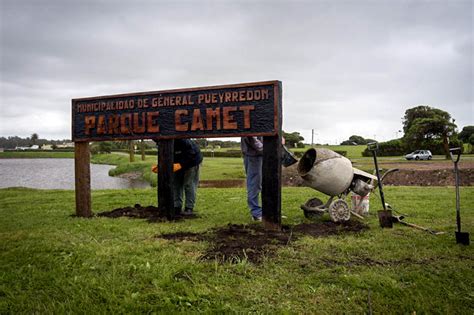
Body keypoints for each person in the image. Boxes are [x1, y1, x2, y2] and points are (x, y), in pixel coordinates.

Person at [172, 139, 203, 215]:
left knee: (189, 184)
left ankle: (189, 208)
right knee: (176, 183)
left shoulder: (183, 141)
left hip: (192, 162)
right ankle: (177, 207)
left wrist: (181, 165)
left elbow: (191, 155)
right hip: (177, 162)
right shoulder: (162, 142)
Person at [241, 136, 263, 221]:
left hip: (261, 155)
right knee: (254, 184)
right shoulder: (249, 123)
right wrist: (270, 148)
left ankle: (268, 212)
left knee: (266, 182)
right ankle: (256, 213)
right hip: (253, 156)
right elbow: (253, 139)